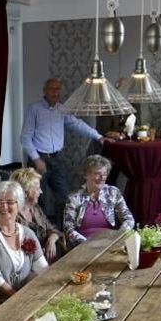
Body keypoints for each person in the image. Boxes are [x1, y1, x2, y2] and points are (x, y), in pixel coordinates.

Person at [20, 78, 110, 221]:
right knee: (38, 199)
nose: (55, 92)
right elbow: (25, 138)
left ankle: (61, 232)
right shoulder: (34, 109)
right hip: (38, 159)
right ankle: (40, 232)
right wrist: (36, 159)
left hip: (56, 158)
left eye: (57, 89)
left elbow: (77, 124)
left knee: (63, 196)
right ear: (44, 91)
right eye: (51, 89)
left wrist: (98, 137)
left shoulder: (62, 109)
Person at [0, 181, 48, 298]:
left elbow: (42, 267)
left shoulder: (28, 233)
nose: (4, 206)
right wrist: (17, 298)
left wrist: (48, 288)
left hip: (25, 294)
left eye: (10, 202)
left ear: (19, 205)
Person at [62, 155, 135, 245]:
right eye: (97, 174)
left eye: (104, 174)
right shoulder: (74, 198)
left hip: (110, 243)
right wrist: (86, 244)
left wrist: (119, 235)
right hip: (83, 245)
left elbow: (128, 218)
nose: (102, 178)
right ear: (86, 175)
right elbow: (68, 228)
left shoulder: (113, 192)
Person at [11, 167, 64, 262]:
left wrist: (51, 239)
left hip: (45, 260)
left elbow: (52, 229)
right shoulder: (13, 216)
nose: (41, 191)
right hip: (28, 264)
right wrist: (39, 253)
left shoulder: (35, 208)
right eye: (37, 188)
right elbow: (17, 248)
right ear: (25, 191)